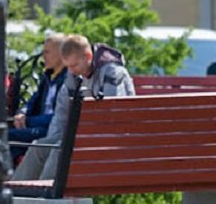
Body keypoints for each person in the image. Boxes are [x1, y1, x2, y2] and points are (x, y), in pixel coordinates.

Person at [10, 34, 134, 182]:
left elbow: (111, 116)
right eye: (68, 66)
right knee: (40, 145)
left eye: (74, 65)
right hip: (82, 134)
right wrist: (52, 138)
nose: (71, 71)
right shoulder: (73, 73)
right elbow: (61, 113)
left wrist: (77, 137)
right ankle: (16, 193)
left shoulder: (112, 72)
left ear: (87, 56)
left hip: (109, 137)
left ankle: (47, 195)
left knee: (61, 148)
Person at [9, 34, 69, 164]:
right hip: (37, 127)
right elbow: (33, 99)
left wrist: (28, 121)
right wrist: (22, 113)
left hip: (52, 131)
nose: (43, 56)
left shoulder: (68, 80)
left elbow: (57, 117)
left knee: (6, 137)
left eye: (47, 52)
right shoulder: (48, 76)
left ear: (61, 53)